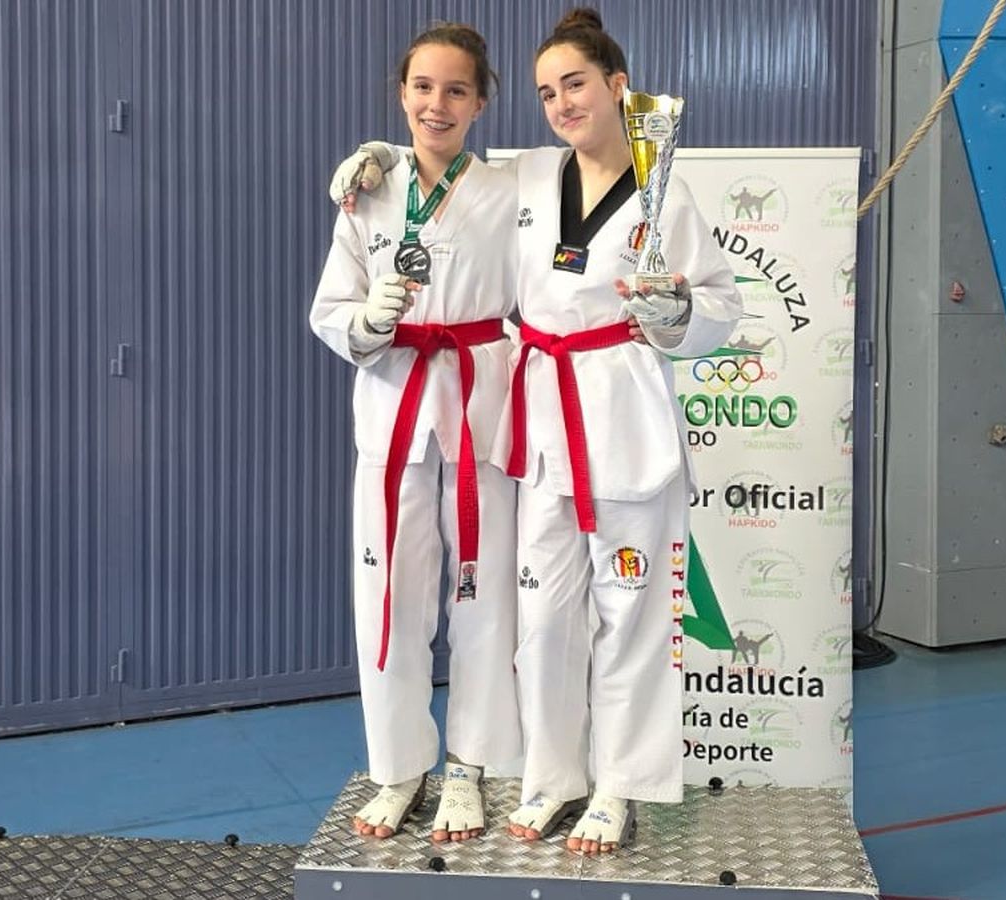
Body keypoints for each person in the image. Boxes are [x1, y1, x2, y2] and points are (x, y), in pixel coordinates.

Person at [331, 7, 741, 856]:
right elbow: (439, 165)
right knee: (542, 620)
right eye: (548, 92)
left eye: (576, 84)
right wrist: (380, 154)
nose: (561, 103)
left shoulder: (664, 189)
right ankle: (554, 775)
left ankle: (619, 784)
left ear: (618, 87)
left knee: (630, 617)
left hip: (624, 418)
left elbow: (718, 306)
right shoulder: (530, 175)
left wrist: (676, 310)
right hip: (541, 427)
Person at [309, 21, 521, 845]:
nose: (438, 104)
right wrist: (365, 322)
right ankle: (398, 768)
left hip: (478, 412)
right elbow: (330, 308)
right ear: (401, 95)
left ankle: (469, 767)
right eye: (423, 87)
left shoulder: (510, 190)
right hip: (393, 409)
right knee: (389, 596)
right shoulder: (366, 192)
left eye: (456, 90)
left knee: (482, 595)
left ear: (481, 102)